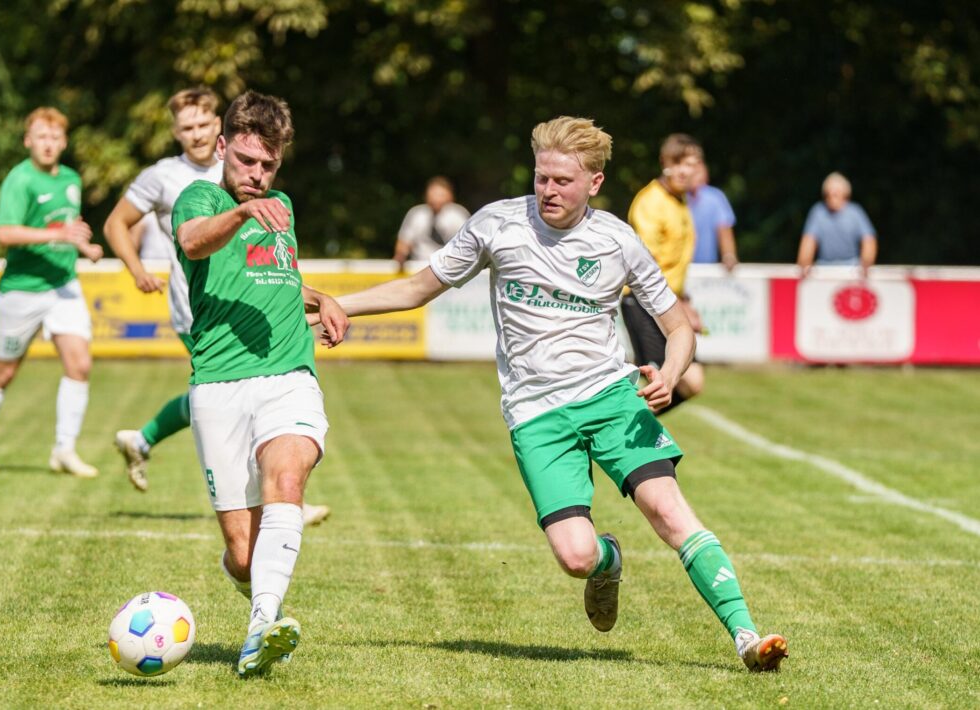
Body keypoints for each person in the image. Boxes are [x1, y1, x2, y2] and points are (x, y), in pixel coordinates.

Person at [316, 116, 787, 672]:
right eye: (542, 177)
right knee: (576, 556)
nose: (548, 190)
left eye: (563, 180)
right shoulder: (497, 224)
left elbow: (678, 326)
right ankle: (608, 560)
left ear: (594, 182)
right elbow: (418, 288)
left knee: (669, 510)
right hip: (536, 416)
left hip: (611, 399)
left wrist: (669, 370)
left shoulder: (617, 240)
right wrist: (341, 304)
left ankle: (747, 637)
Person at [170, 90, 349, 677]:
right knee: (245, 558)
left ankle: (260, 630)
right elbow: (194, 241)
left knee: (287, 476)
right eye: (246, 160)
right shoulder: (200, 199)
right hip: (218, 383)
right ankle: (259, 599)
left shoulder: (281, 206)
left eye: (268, 165)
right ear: (223, 147)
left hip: (288, 375)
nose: (257, 175)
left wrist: (320, 299)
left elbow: (275, 277)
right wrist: (244, 212)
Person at [102, 88, 331, 525]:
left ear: (217, 130)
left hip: (245, 295)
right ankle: (280, 498)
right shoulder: (165, 177)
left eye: (202, 124)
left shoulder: (250, 163)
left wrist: (318, 298)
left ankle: (145, 440)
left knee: (226, 391)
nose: (196, 134)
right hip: (198, 308)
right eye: (186, 127)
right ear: (176, 132)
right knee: (231, 387)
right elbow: (117, 224)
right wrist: (136, 270)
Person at [0, 107, 103, 478]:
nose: (48, 143)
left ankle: (64, 449)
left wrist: (83, 246)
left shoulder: (71, 178)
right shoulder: (19, 179)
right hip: (22, 290)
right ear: (28, 140)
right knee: (4, 372)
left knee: (80, 364)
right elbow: (5, 233)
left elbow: (66, 227)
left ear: (64, 142)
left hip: (63, 284)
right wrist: (59, 235)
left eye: (55, 137)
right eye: (41, 136)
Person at [623, 133, 706, 415]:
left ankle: (624, 429)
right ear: (664, 163)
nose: (685, 171)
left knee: (690, 381)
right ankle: (622, 431)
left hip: (667, 301)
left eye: (691, 164)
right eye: (678, 163)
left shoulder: (680, 202)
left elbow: (675, 264)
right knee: (662, 383)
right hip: (644, 302)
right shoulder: (651, 202)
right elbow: (646, 265)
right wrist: (678, 304)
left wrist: (684, 300)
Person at [797, 172, 877, 277]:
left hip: (852, 268)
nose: (832, 195)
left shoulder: (855, 212)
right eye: (829, 193)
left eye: (836, 192)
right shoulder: (818, 212)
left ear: (845, 194)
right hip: (824, 267)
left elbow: (869, 241)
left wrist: (865, 267)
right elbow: (808, 242)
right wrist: (805, 266)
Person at [392, 176, 471, 269]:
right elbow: (404, 242)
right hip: (419, 267)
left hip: (450, 269)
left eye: (440, 195)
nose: (435, 198)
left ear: (450, 196)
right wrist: (400, 256)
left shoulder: (458, 215)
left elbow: (468, 244)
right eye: (433, 194)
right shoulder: (416, 214)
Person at [688, 160, 738, 271]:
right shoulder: (673, 198)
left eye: (698, 172)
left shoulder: (715, 198)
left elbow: (724, 230)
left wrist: (729, 256)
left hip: (707, 268)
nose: (694, 176)